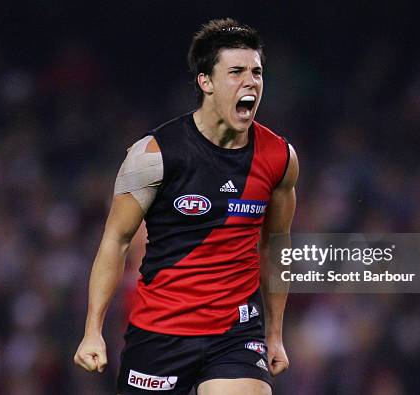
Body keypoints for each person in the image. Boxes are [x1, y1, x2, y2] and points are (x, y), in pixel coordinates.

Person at [74, 18, 299, 395]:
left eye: (257, 72)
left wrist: (274, 334)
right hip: (161, 332)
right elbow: (116, 241)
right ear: (205, 82)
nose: (251, 82)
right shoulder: (153, 155)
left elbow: (275, 246)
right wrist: (92, 331)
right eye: (237, 72)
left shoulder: (279, 157)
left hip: (236, 333)